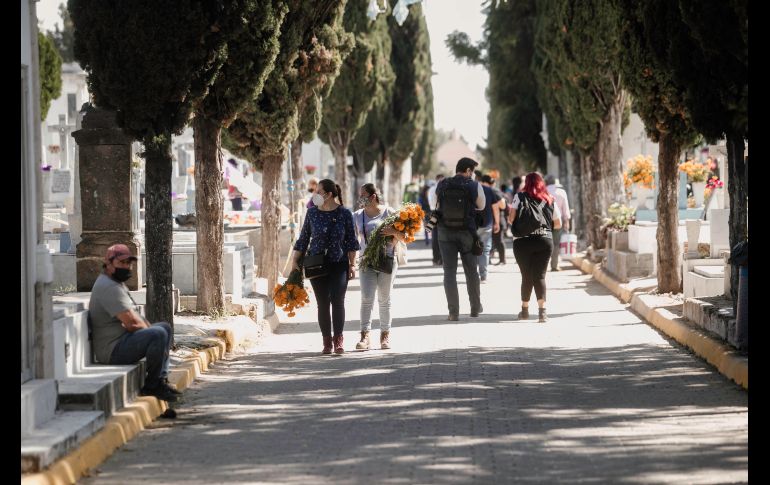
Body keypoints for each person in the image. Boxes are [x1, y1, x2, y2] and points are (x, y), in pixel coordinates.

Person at [88, 244, 180, 402]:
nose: (127, 267)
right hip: (112, 351)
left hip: (122, 341)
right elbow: (132, 323)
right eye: (122, 263)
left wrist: (153, 333)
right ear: (108, 264)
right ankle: (152, 386)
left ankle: (160, 380)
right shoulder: (108, 287)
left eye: (129, 263)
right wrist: (154, 335)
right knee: (158, 334)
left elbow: (136, 317)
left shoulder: (116, 283)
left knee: (164, 328)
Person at [291, 179, 360, 355]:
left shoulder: (345, 214)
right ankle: (326, 342)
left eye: (319, 191)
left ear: (329, 195)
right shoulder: (312, 213)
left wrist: (352, 264)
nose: (316, 195)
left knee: (337, 300)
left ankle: (338, 340)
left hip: (339, 262)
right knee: (323, 303)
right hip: (316, 263)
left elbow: (352, 242)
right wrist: (294, 262)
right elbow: (303, 238)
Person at [353, 183, 408, 351]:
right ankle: (365, 336)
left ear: (373, 196)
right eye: (360, 195)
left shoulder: (389, 213)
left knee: (384, 299)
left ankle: (385, 335)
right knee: (366, 298)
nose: (361, 198)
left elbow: (405, 237)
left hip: (387, 260)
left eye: (363, 195)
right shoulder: (356, 216)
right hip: (366, 262)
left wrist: (394, 232)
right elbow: (353, 240)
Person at [435, 158, 486, 320]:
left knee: (449, 272)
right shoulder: (473, 185)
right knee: (471, 272)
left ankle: (453, 312)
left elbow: (434, 205)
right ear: (469, 171)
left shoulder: (442, 184)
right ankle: (475, 308)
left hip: (444, 233)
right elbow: (482, 206)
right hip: (467, 233)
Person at [508, 172, 562, 323]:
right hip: (544, 241)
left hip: (522, 241)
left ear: (527, 183)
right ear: (541, 182)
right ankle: (542, 312)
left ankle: (524, 310)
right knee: (540, 276)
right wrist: (543, 227)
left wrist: (524, 224)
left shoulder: (519, 196)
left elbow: (511, 219)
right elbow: (558, 224)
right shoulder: (550, 199)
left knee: (526, 276)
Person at [477, 174, 503, 282]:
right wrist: (497, 223)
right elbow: (495, 208)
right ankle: (483, 276)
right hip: (486, 223)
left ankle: (473, 274)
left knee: (471, 249)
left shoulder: (470, 189)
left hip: (471, 225)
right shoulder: (489, 190)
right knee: (484, 250)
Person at [544, 174, 571, 271]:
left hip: (544, 221)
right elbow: (565, 209)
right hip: (557, 221)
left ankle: (542, 265)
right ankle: (554, 265)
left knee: (545, 242)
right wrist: (566, 222)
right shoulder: (562, 192)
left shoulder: (543, 192)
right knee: (556, 244)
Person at [483, 175, 508, 266]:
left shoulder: (494, 191)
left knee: (498, 240)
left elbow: (502, 205)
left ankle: (502, 260)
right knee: (492, 241)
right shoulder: (492, 190)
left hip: (496, 219)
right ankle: (489, 259)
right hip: (492, 220)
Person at [427, 174, 445, 266]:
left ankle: (435, 258)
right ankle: (441, 259)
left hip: (433, 213)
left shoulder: (431, 189)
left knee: (434, 236)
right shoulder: (442, 188)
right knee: (442, 236)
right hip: (441, 213)